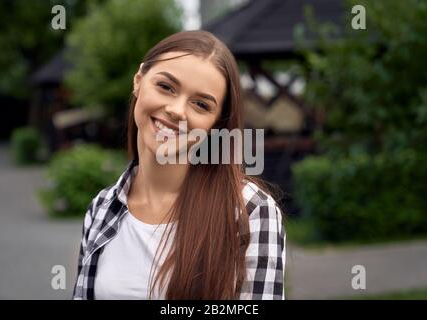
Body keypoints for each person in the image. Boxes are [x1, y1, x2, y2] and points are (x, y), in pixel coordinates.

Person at [72, 30, 286, 300]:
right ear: (139, 81)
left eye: (200, 104)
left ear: (215, 124)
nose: (176, 110)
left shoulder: (250, 211)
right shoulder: (101, 208)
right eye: (166, 87)